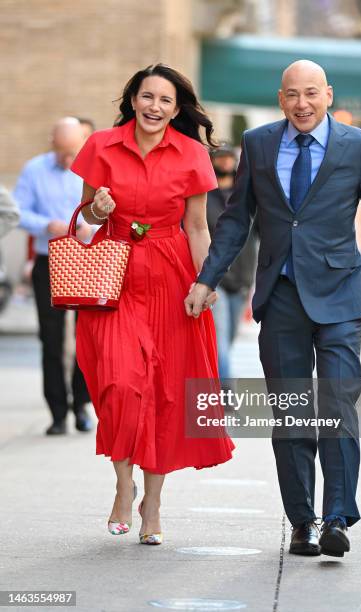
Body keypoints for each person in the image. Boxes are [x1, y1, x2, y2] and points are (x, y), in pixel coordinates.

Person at [186, 60, 361, 558]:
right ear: (280, 99)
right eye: (291, 95)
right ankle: (302, 520)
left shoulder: (359, 145)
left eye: (311, 94)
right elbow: (237, 220)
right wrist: (206, 278)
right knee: (292, 414)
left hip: (343, 297)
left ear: (327, 94)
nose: (302, 104)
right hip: (280, 296)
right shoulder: (259, 143)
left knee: (337, 406)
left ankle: (338, 517)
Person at [70, 64, 234, 544]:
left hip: (170, 274)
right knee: (119, 384)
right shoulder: (101, 145)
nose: (154, 107)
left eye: (165, 100)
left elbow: (198, 227)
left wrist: (205, 283)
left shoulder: (190, 155)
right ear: (133, 99)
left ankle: (153, 503)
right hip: (111, 274)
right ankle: (124, 484)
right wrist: (96, 213)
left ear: (176, 109)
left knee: (165, 391)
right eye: (147, 96)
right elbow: (82, 226)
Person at [13, 117, 93, 435]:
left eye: (73, 152)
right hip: (49, 260)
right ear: (52, 143)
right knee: (51, 338)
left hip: (86, 260)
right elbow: (18, 212)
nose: (68, 160)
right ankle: (58, 412)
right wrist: (46, 224)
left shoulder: (92, 167)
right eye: (62, 153)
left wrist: (93, 225)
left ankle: (82, 405)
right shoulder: (34, 170)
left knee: (86, 337)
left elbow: (109, 208)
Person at [207, 145, 257, 385]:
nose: (226, 163)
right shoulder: (204, 195)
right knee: (220, 339)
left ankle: (217, 383)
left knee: (229, 337)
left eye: (229, 158)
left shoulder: (246, 194)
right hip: (215, 277)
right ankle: (225, 393)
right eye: (221, 158)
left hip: (243, 276)